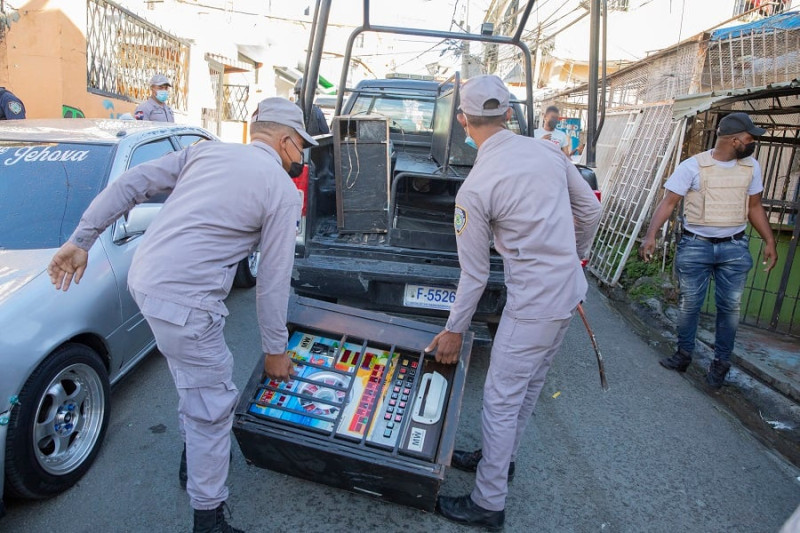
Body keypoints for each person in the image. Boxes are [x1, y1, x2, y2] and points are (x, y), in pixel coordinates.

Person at [47, 97, 317, 533]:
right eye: (302, 146)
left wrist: (82, 239)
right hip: (183, 299)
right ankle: (208, 519)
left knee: (194, 377)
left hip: (146, 280)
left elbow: (131, 183)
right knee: (213, 403)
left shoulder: (208, 150)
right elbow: (273, 277)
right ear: (286, 142)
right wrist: (274, 349)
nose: (302, 156)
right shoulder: (282, 190)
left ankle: (194, 463)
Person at [426, 75, 602, 530]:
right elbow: (591, 211)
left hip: (534, 304)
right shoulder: (547, 150)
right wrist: (573, 258)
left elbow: (475, 274)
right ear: (508, 114)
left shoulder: (476, 188)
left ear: (463, 121)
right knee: (526, 388)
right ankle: (498, 462)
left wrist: (453, 329)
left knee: (501, 400)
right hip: (566, 294)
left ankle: (488, 503)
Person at [640, 112, 777, 389]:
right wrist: (650, 235)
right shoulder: (692, 167)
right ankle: (683, 355)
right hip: (696, 246)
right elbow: (668, 203)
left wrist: (769, 241)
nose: (753, 143)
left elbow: (754, 207)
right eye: (750, 138)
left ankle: (721, 365)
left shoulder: (751, 167)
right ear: (733, 140)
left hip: (734, 247)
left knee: (729, 309)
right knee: (690, 305)